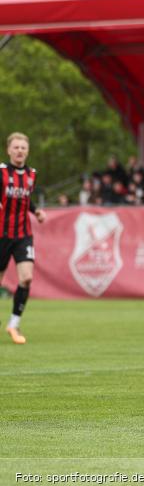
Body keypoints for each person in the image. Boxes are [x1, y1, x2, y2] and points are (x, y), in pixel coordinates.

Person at [0, 133, 46, 344]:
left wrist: (36, 211)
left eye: (23, 148)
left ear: (27, 151)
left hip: (23, 234)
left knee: (26, 278)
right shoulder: (1, 172)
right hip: (1, 234)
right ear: (9, 150)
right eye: (16, 147)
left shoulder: (31, 174)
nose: (20, 151)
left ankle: (13, 324)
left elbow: (26, 199)